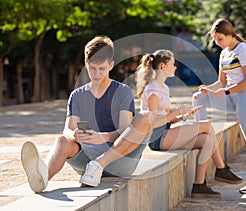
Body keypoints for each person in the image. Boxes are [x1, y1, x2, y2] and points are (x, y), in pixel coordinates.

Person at [21, 35, 154, 193]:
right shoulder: (77, 95)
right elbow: (68, 129)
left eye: (102, 69)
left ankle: (99, 164)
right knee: (62, 140)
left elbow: (125, 131)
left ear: (111, 65)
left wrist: (102, 137)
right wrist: (75, 135)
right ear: (86, 64)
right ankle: (42, 178)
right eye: (92, 68)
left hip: (120, 159)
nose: (97, 74)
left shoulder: (122, 92)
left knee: (145, 117)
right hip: (88, 161)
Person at [135, 49, 242, 198]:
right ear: (162, 67)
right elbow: (151, 123)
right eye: (172, 64)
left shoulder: (164, 88)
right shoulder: (153, 90)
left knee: (207, 140)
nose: (175, 67)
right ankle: (221, 169)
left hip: (166, 132)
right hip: (157, 138)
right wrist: (177, 111)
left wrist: (184, 116)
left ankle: (199, 185)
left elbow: (166, 118)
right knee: (206, 125)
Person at [192, 19, 246, 194]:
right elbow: (221, 82)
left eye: (220, 39)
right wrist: (208, 89)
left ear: (229, 34)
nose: (218, 43)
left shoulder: (244, 50)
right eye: (216, 40)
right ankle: (200, 134)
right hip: (231, 97)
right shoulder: (224, 53)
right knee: (198, 97)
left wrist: (224, 92)